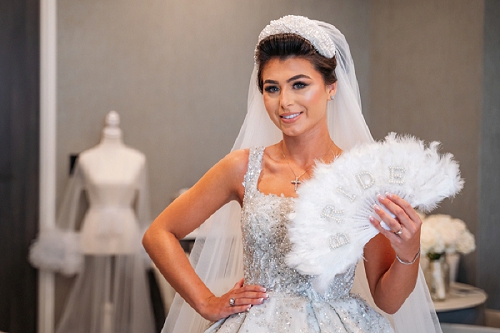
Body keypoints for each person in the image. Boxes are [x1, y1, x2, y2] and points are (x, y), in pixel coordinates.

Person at [143, 15, 441, 333]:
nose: (285, 102)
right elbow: (158, 234)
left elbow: (388, 299)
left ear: (331, 87)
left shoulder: (362, 179)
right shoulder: (241, 168)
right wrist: (206, 302)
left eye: (299, 84)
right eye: (272, 88)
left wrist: (409, 252)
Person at [31, 111, 156, 333]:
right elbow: (74, 199)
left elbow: (143, 204)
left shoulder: (138, 159)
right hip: (94, 230)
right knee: (93, 291)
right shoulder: (87, 159)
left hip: (126, 230)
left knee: (125, 293)